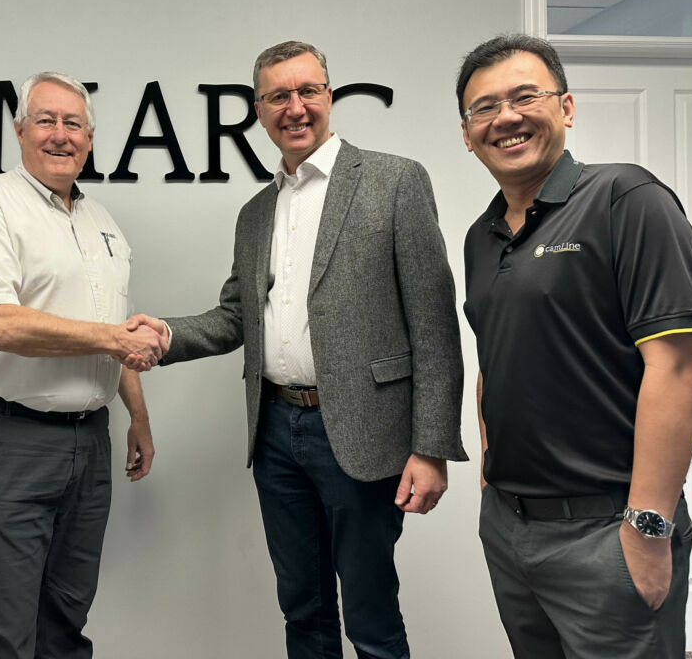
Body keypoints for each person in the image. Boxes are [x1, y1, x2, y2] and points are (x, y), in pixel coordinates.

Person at [128, 41, 466, 659]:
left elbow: (435, 325)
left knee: (370, 611)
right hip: (276, 432)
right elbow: (236, 317)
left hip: (363, 432)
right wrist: (166, 334)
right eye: (279, 96)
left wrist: (432, 446)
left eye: (308, 90)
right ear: (259, 111)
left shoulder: (394, 180)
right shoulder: (256, 212)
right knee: (302, 608)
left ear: (329, 96)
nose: (296, 107)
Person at [458, 34, 692, 658]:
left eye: (524, 97)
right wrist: (490, 480)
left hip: (607, 530)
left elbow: (678, 367)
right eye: (484, 107)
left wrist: (648, 525)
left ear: (566, 107)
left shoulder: (626, 199)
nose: (505, 117)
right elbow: (494, 362)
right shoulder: (481, 237)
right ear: (467, 134)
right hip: (511, 528)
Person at [0, 71, 166, 659]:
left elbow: (114, 328)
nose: (60, 134)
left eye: (73, 124)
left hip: (89, 442)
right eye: (46, 120)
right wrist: (114, 338)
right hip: (6, 439)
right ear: (19, 132)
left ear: (90, 138)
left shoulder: (101, 221)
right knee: (3, 635)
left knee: (64, 623)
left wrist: (137, 417)